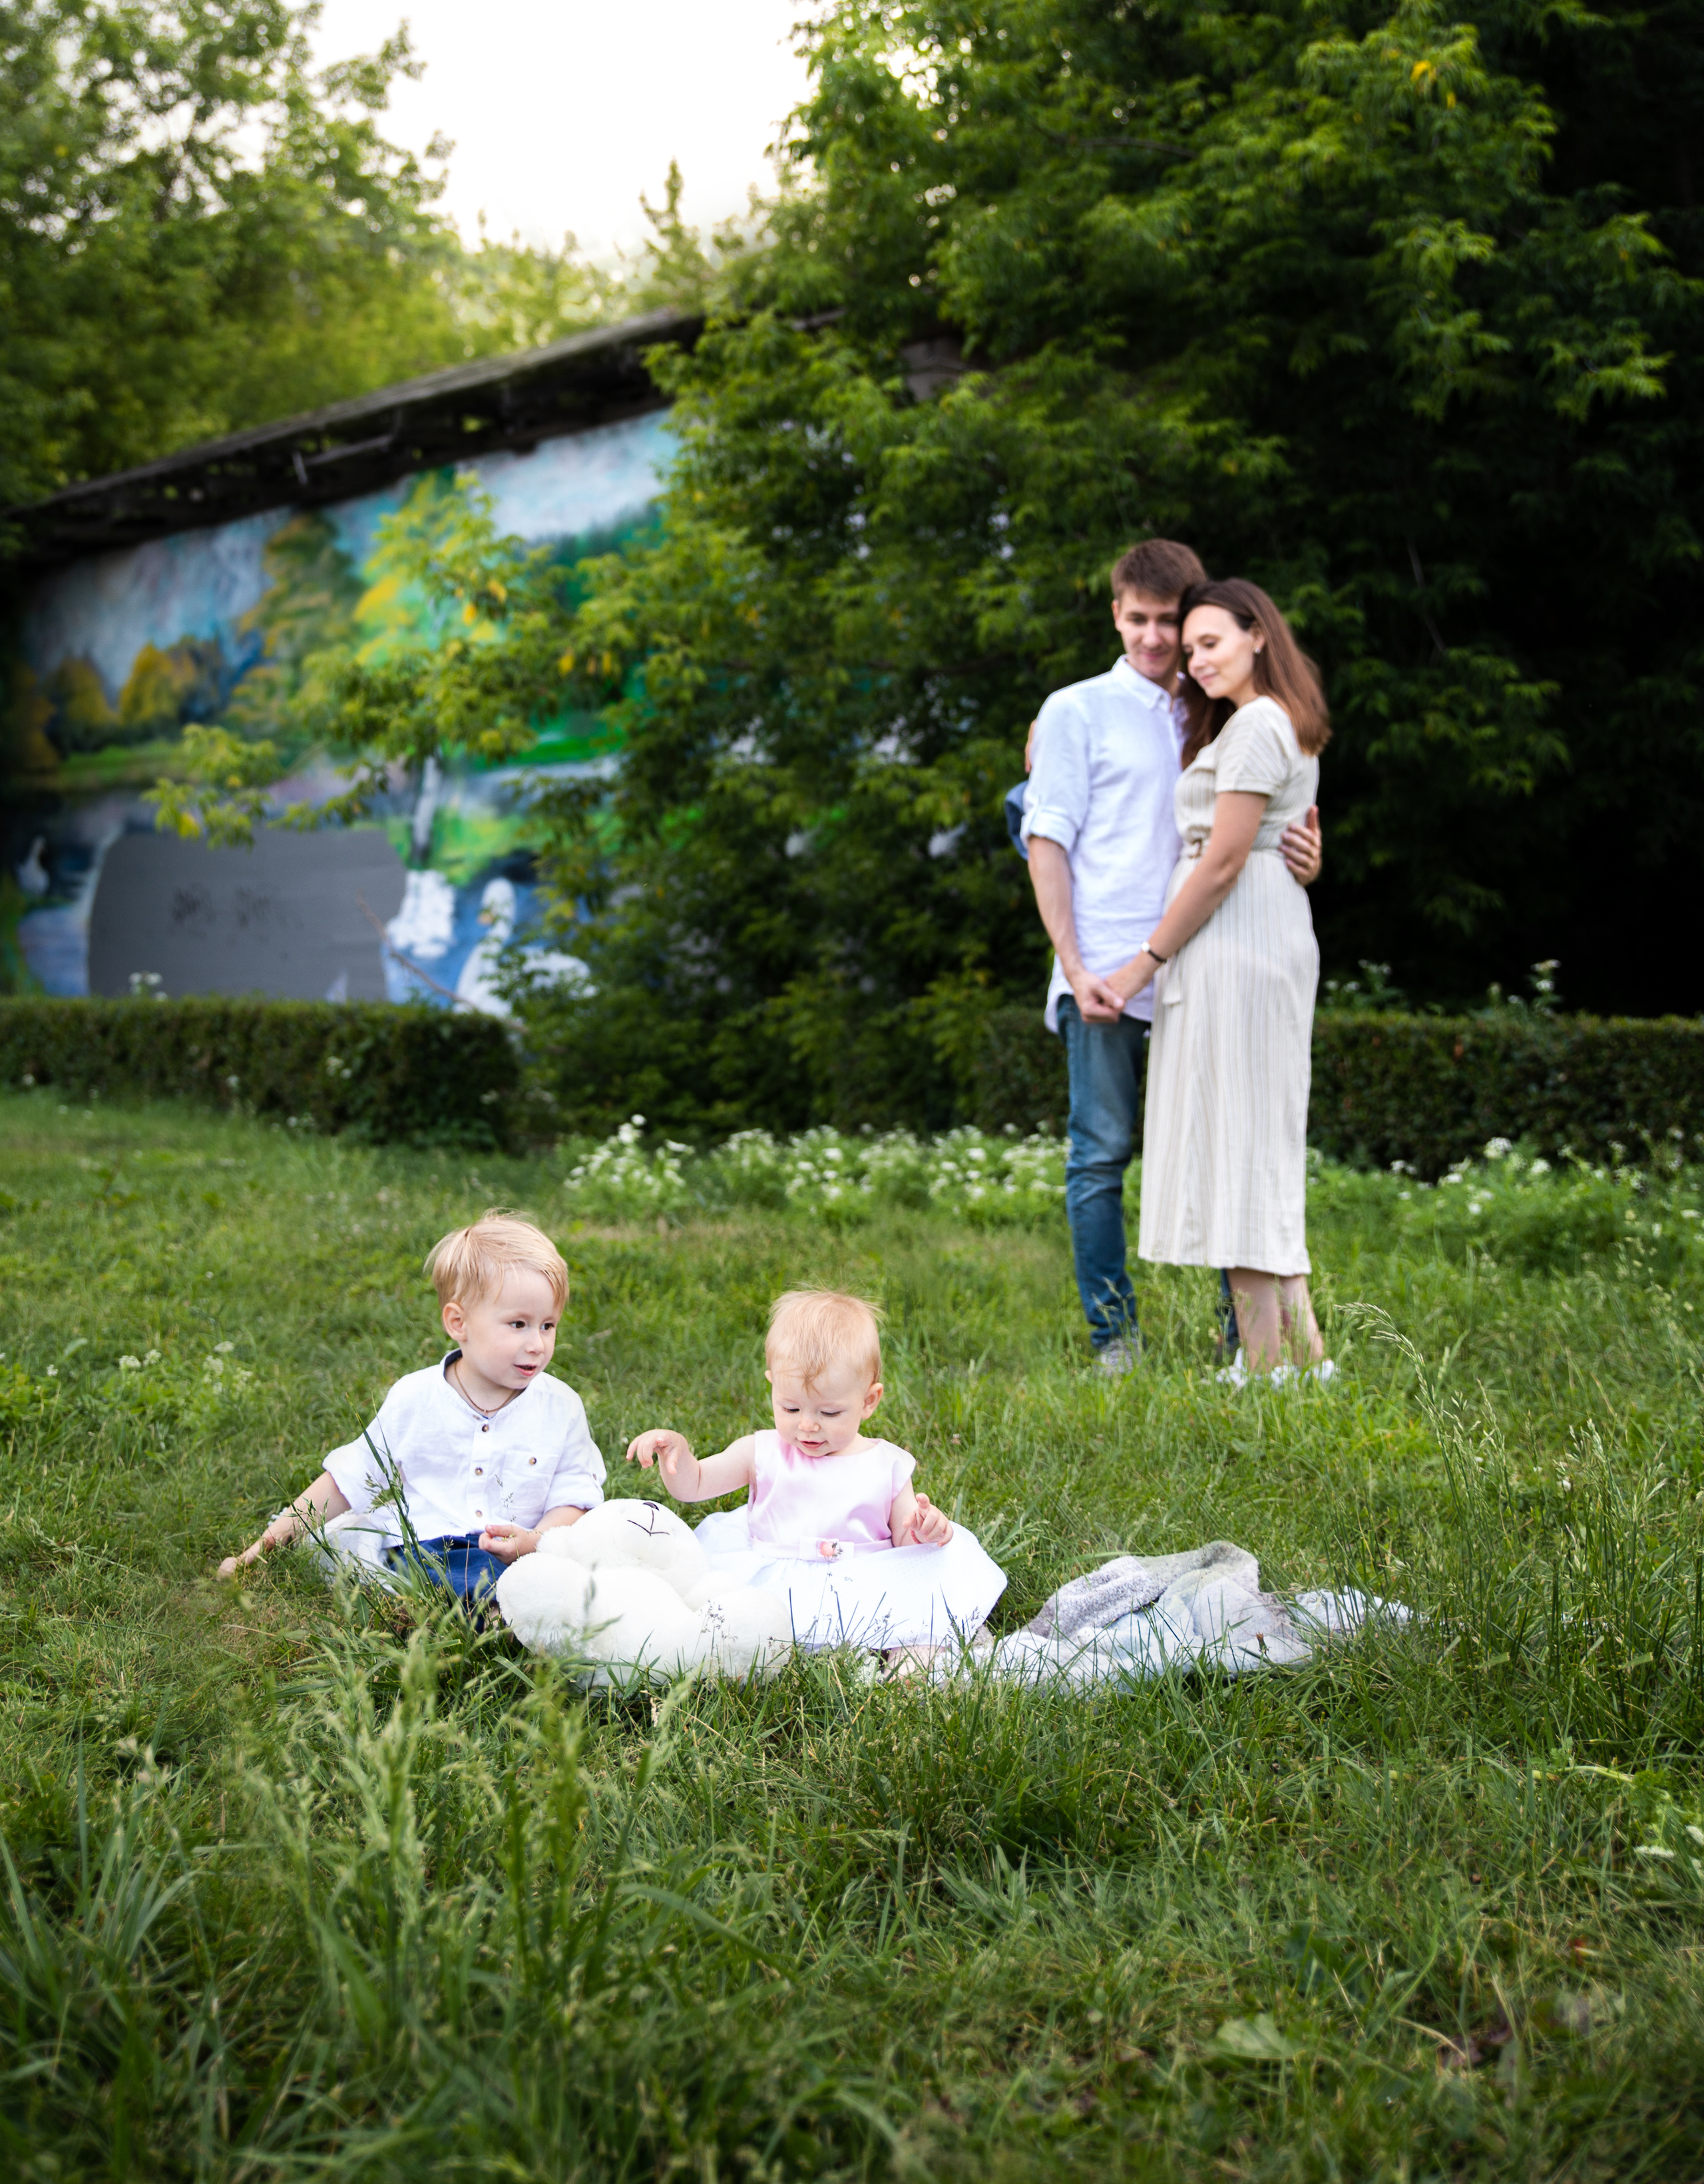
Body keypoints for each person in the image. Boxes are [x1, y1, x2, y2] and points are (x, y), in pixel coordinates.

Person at [1021, 539, 1321, 1371]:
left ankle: (1247, 1344)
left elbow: (1253, 826)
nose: (1156, 640)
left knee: (1228, 1144)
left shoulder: (1218, 701)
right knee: (1101, 1155)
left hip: (1209, 965)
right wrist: (1076, 966)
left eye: (1171, 623)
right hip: (1110, 969)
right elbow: (1045, 840)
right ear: (1114, 614)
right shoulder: (1076, 709)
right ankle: (1114, 1339)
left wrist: (1304, 857)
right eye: (1139, 620)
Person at [1104, 580, 1332, 1377]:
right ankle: (1300, 1364)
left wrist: (1145, 959)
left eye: (1211, 643)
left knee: (1239, 1144)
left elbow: (1225, 859)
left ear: (1257, 636)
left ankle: (1266, 1371)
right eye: (1190, 647)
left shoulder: (1258, 725)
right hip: (1253, 939)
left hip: (1238, 945)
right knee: (1252, 1144)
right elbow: (1274, 839)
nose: (1195, 659)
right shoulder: (1269, 725)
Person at [217, 1210, 606, 1604]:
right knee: (410, 1567)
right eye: (518, 1325)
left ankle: (516, 1606)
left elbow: (574, 1496)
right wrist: (260, 1550)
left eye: (548, 1325)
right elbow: (348, 1480)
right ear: (459, 1323)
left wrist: (533, 1541)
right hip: (426, 1550)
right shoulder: (415, 1398)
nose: (537, 1344)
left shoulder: (561, 1407)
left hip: (520, 1555)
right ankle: (488, 1612)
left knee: (602, 1556)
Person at [627, 1287, 1006, 1662]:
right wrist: (677, 1455)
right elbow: (693, 1486)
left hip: (867, 1581)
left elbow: (905, 1542)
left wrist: (923, 1531)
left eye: (828, 1413)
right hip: (778, 1581)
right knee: (725, 1625)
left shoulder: (886, 1464)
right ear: (772, 1384)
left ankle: (915, 1655)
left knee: (919, 1606)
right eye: (790, 1408)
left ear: (868, 1401)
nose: (807, 1426)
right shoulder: (760, 1451)